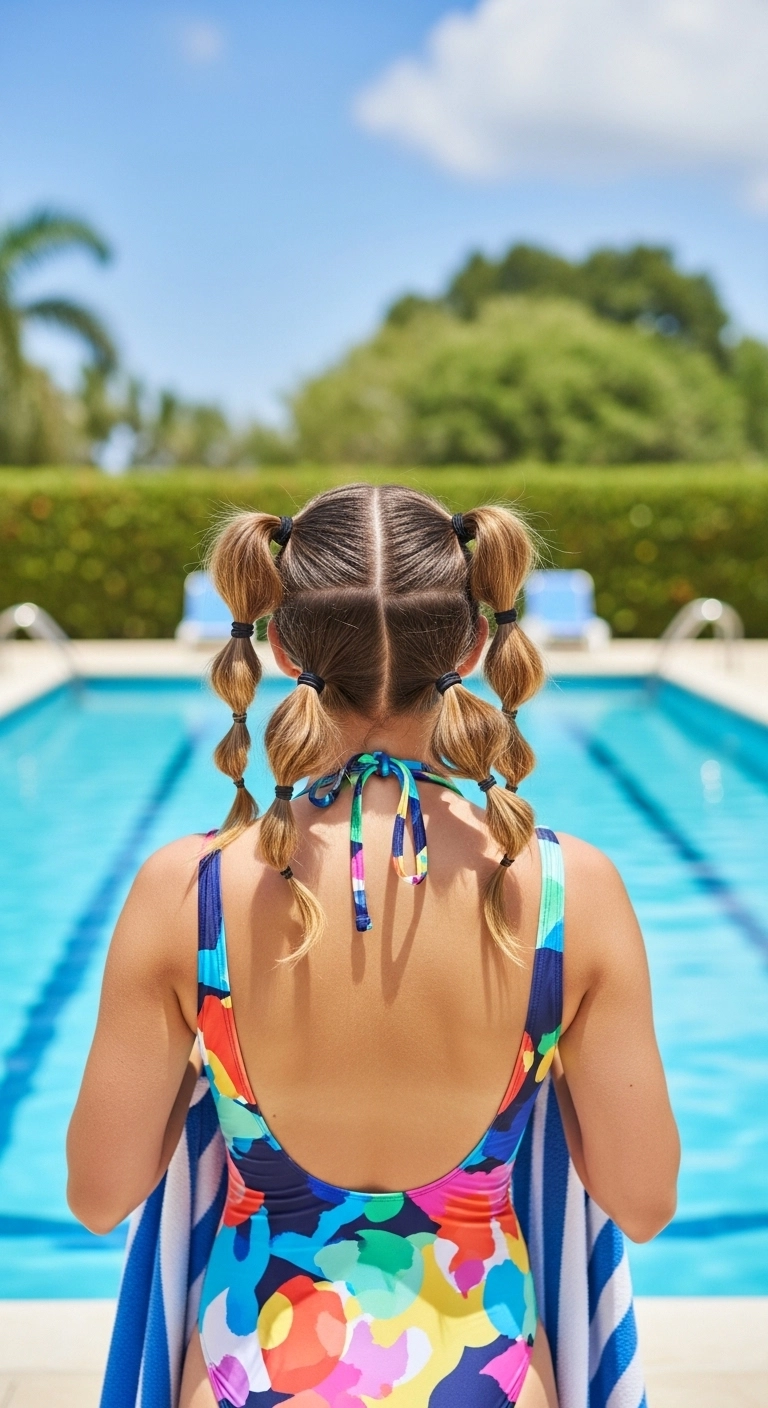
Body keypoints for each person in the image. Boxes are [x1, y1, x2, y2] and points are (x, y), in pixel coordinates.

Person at [67, 484, 679, 1408]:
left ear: (278, 645)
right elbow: (643, 1200)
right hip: (491, 1377)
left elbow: (99, 1194)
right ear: (475, 643)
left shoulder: (186, 894)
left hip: (250, 1375)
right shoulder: (568, 894)